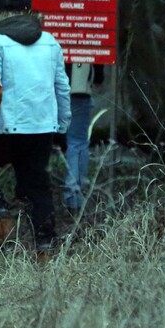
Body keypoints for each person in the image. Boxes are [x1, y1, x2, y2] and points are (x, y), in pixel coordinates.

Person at [0, 0, 71, 250]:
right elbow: (62, 87)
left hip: (4, 129)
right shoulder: (50, 41)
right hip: (41, 129)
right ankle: (45, 249)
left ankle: (1, 218)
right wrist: (62, 127)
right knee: (37, 187)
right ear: (28, 11)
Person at [62, 62, 104, 215]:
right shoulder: (89, 46)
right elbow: (98, 78)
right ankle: (75, 198)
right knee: (77, 143)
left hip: (50, 92)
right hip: (79, 93)